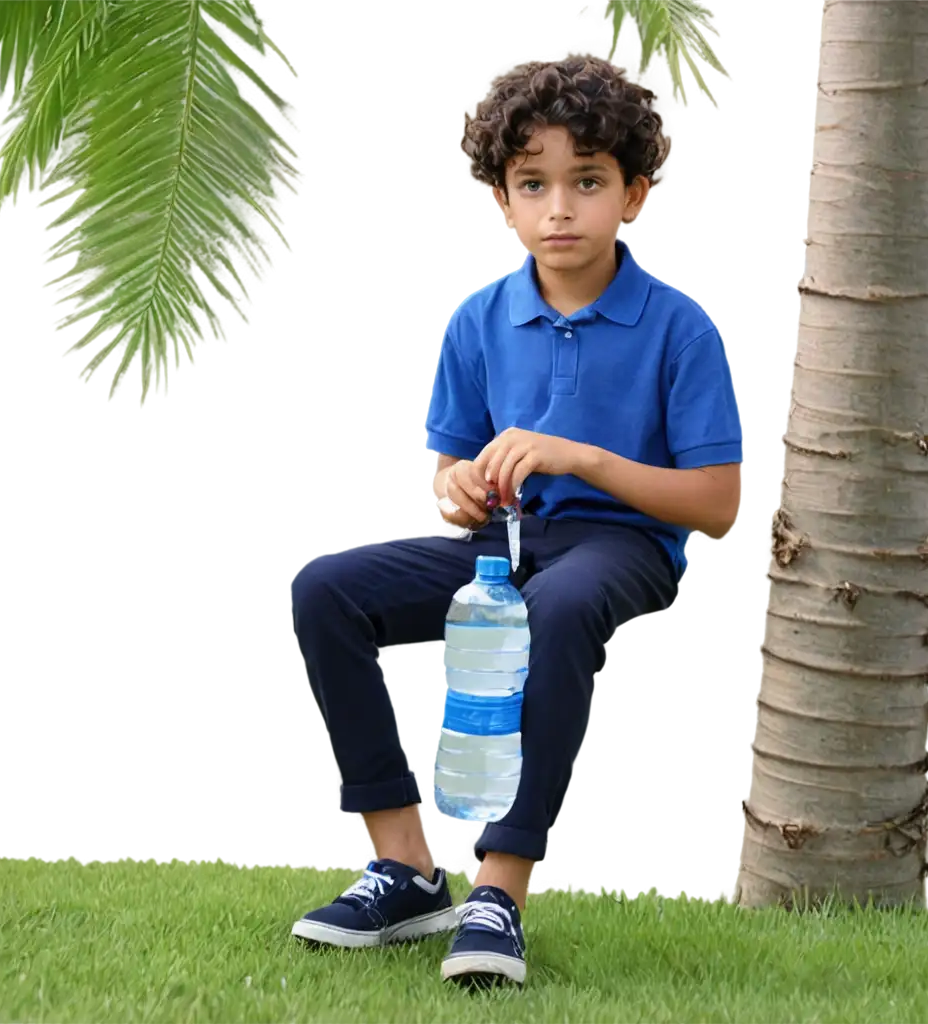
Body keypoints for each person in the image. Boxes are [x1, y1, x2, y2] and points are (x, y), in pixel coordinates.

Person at [283, 58, 744, 988]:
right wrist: (455, 492)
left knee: (560, 607)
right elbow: (445, 469)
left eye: (588, 181)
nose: (560, 209)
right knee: (324, 588)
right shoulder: (475, 320)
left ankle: (499, 889)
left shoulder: (678, 329)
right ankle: (404, 868)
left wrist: (581, 457)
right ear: (503, 203)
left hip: (621, 545)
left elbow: (719, 504)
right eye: (533, 184)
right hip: (499, 543)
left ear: (633, 193)